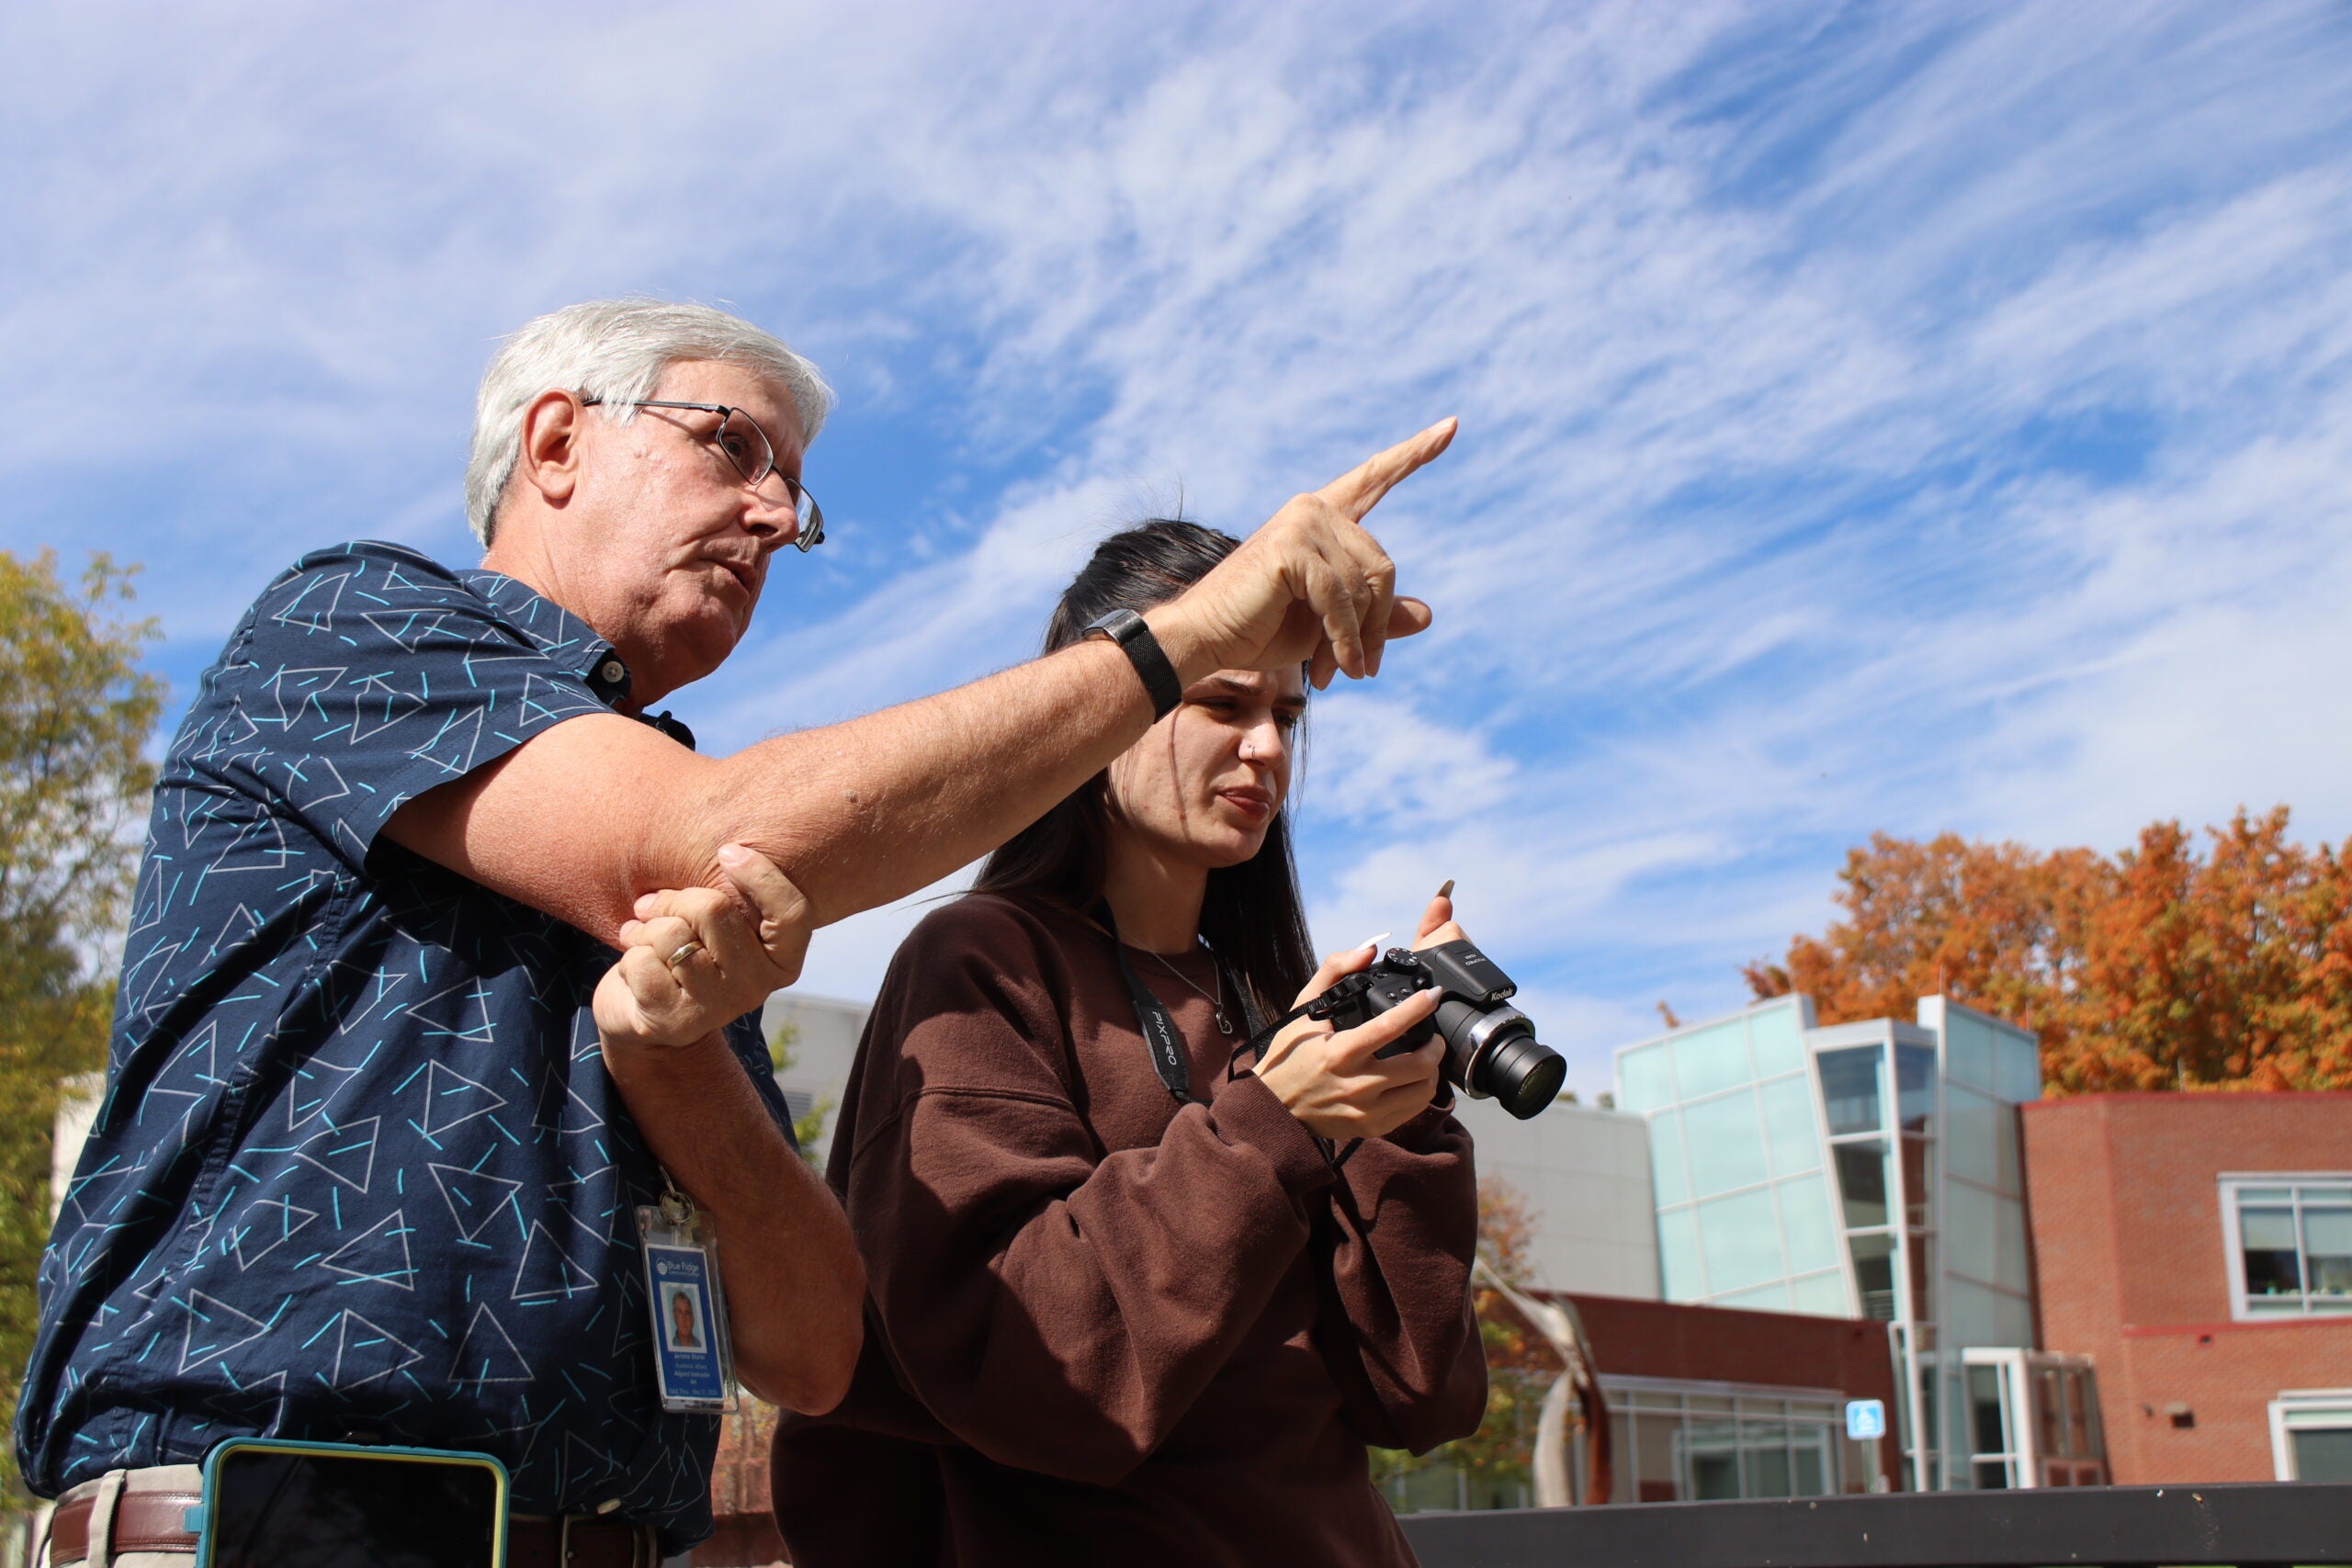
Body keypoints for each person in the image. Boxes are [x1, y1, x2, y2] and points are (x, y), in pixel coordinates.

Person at [17, 299, 1454, 1562]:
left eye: (798, 493)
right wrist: (1182, 635)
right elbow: (714, 829)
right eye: (733, 446)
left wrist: (675, 1058)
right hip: (279, 1515)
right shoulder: (354, 624)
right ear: (558, 440)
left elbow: (818, 1347)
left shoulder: (701, 888)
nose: (778, 515)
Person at [761, 522, 1487, 1567]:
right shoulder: (981, 961)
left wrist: (1400, 1111)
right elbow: (1024, 1363)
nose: (1268, 749)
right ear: (1102, 712)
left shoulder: (1274, 1005)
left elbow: (1417, 1393)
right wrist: (1271, 1125)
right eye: (1223, 704)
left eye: (1287, 714)